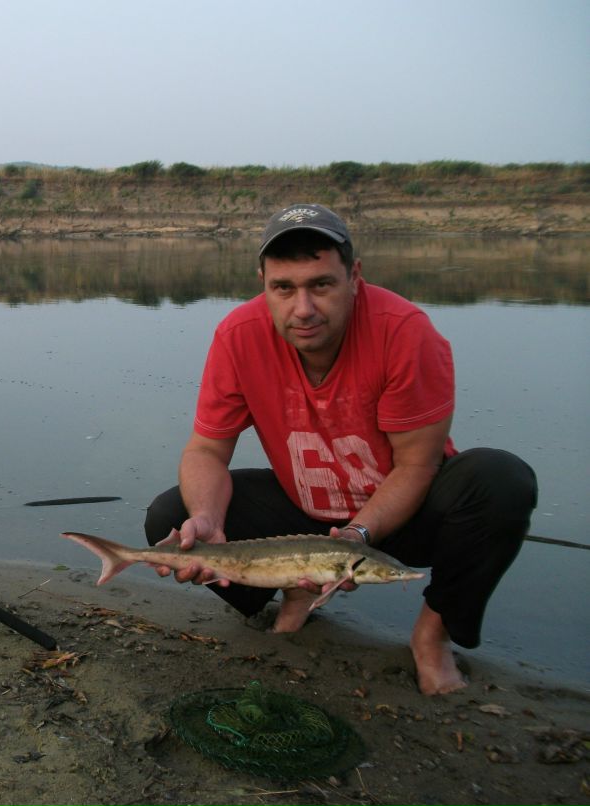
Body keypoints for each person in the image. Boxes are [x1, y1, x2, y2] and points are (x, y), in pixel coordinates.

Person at [144, 203, 537, 695]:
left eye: (321, 285)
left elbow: (419, 464)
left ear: (354, 277)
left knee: (501, 482)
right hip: (304, 511)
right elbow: (205, 451)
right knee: (171, 516)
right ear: (262, 281)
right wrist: (207, 518)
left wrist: (354, 536)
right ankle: (294, 589)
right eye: (283, 288)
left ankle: (432, 635)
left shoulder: (404, 332)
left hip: (400, 517)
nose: (302, 309)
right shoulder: (238, 336)